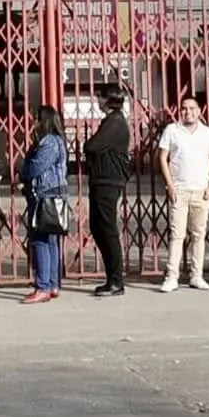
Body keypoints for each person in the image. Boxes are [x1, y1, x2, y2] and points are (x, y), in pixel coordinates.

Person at [157, 94, 209, 292]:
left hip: (201, 191)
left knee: (198, 234)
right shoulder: (172, 130)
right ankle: (172, 276)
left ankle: (196, 275)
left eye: (192, 108)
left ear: (199, 111)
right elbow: (163, 157)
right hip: (180, 190)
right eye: (184, 108)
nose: (188, 112)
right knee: (177, 235)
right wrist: (170, 185)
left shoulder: (208, 133)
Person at [83, 88, 132, 298]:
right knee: (97, 226)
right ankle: (111, 278)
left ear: (107, 100)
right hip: (102, 180)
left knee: (107, 229)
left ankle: (116, 280)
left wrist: (88, 146)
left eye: (99, 98)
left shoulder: (115, 122)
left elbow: (92, 146)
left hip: (108, 181)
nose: (97, 101)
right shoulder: (111, 121)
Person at [20, 105, 68, 304]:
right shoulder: (55, 141)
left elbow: (35, 167)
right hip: (51, 193)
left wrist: (22, 169)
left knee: (40, 239)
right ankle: (52, 283)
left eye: (36, 119)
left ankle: (43, 286)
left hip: (46, 195)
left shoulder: (49, 143)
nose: (33, 123)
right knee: (50, 241)